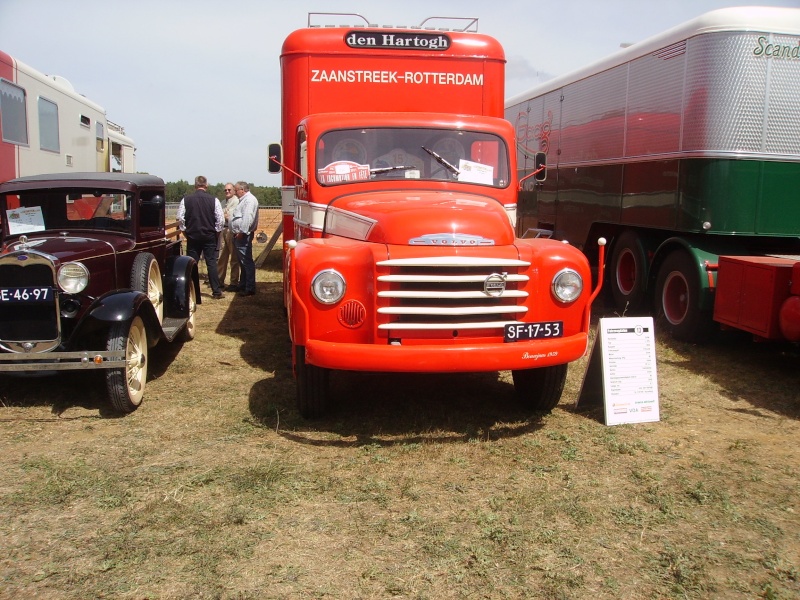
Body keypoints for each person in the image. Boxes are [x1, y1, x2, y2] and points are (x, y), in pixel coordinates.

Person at [177, 175, 225, 299]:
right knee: (211, 263)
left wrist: (185, 233)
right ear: (206, 185)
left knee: (191, 264)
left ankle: (189, 291)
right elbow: (220, 220)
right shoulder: (214, 200)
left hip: (193, 236)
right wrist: (216, 234)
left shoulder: (186, 200)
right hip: (209, 236)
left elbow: (180, 219)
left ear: (195, 185)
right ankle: (217, 291)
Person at [230, 181, 259, 296]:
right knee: (243, 262)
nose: (235, 193)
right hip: (240, 234)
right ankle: (243, 285)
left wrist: (242, 232)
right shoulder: (245, 200)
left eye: (236, 190)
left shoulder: (249, 200)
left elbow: (247, 217)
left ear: (242, 190)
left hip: (243, 235)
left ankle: (249, 287)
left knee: (246, 262)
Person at [216, 182, 240, 291]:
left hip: (232, 229)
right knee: (222, 256)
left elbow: (230, 217)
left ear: (234, 191)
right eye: (225, 190)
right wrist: (223, 215)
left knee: (234, 257)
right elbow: (219, 215)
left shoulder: (236, 201)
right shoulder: (223, 202)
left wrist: (223, 215)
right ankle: (219, 280)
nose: (227, 192)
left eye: (229, 190)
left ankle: (234, 282)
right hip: (223, 229)